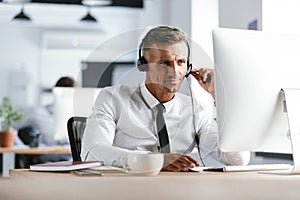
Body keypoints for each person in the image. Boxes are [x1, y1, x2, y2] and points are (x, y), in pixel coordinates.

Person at [81, 26, 250, 172]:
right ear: (143, 65)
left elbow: (238, 159)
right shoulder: (112, 99)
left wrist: (218, 97)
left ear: (189, 67)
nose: (175, 71)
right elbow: (91, 152)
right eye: (165, 63)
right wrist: (152, 161)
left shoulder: (196, 110)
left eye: (181, 62)